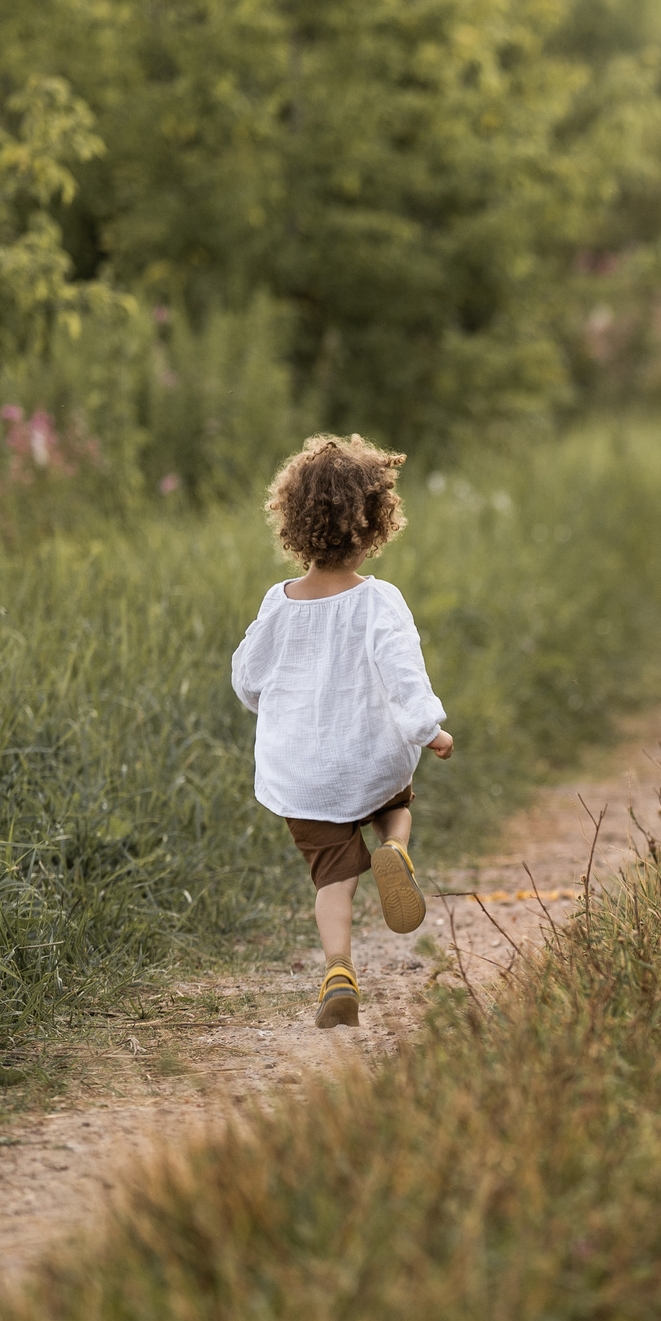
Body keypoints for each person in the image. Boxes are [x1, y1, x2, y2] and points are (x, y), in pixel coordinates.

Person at [231, 434, 454, 1030]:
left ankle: (338, 972)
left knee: (333, 881)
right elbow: (405, 675)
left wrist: (275, 703)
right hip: (369, 761)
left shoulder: (277, 605)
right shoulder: (380, 601)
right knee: (395, 800)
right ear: (373, 524)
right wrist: (428, 729)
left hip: (304, 776)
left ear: (293, 524)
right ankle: (394, 849)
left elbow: (248, 682)